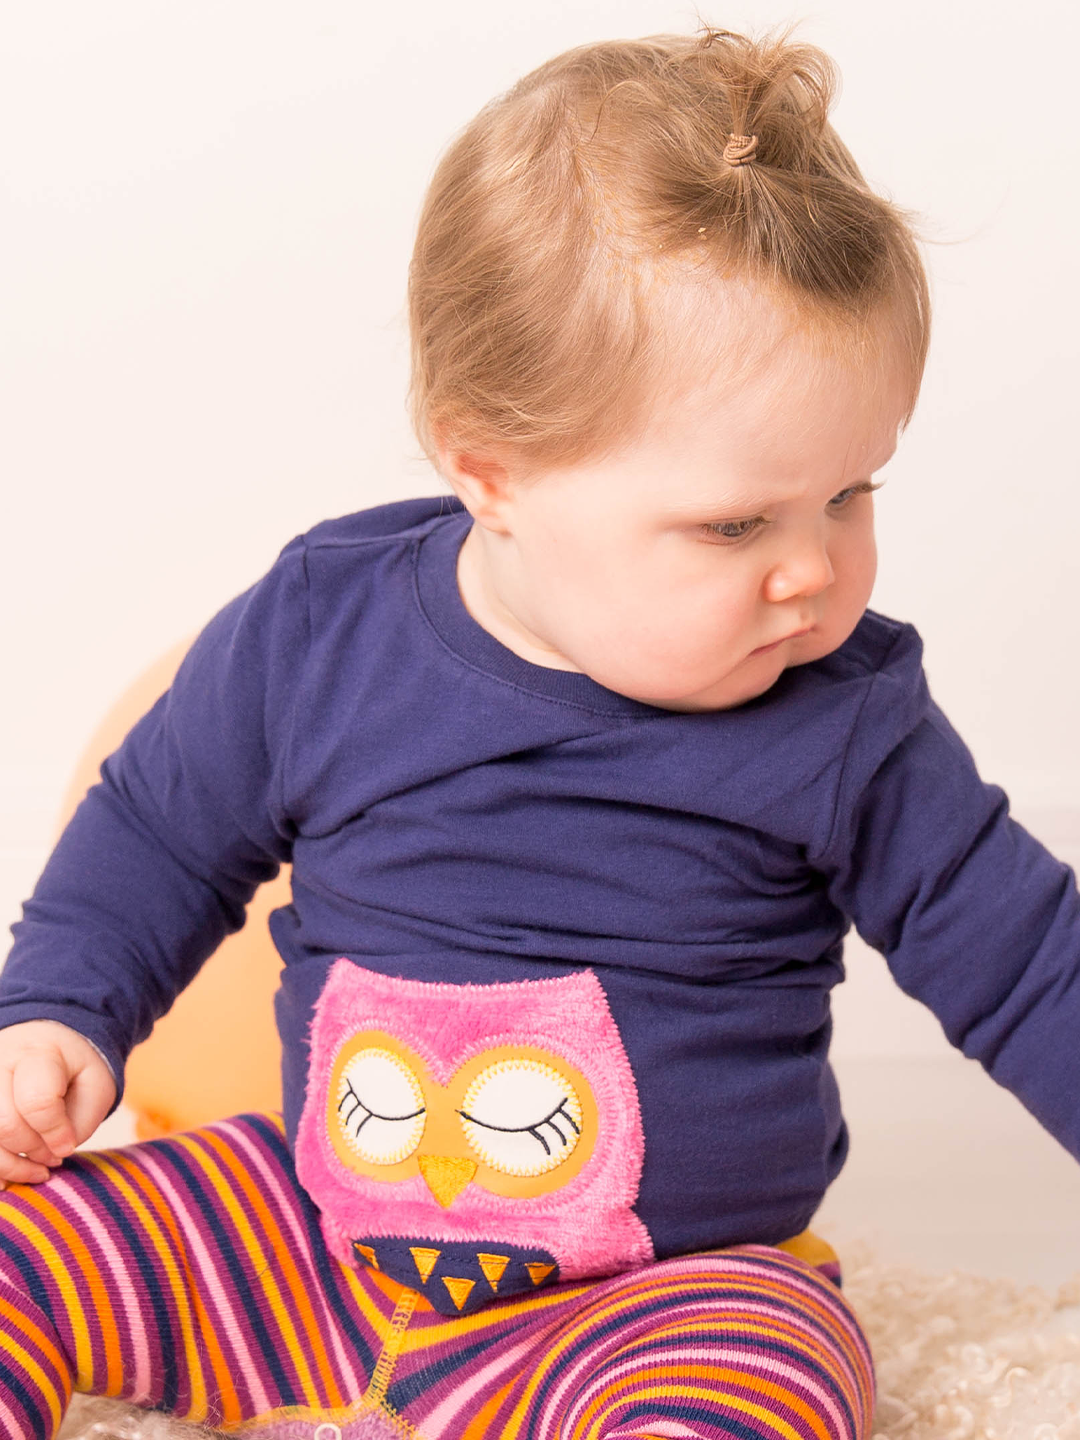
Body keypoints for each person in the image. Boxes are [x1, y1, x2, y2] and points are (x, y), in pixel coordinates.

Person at [0, 24, 1075, 1440]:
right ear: (491, 471)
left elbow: (1029, 963)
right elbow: (159, 829)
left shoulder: (848, 723)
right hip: (313, 1243)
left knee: (766, 1387)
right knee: (30, 1248)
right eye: (735, 524)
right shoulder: (324, 629)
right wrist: (57, 1009)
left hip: (668, 1298)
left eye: (850, 493)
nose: (814, 570)